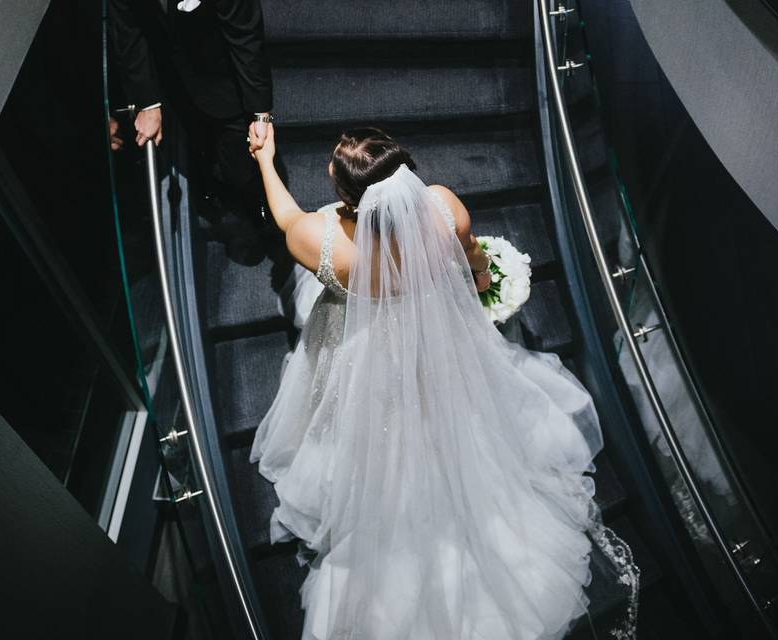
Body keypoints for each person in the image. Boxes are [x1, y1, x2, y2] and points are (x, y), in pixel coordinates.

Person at [245, 124, 640, 639]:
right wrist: (481, 281)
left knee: (368, 425)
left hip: (363, 348)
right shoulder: (443, 208)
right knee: (444, 416)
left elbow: (285, 214)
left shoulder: (322, 244)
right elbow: (474, 260)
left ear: (344, 192)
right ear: (403, 169)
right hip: (431, 340)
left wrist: (264, 160)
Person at [108, 0, 274, 259]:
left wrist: (261, 114)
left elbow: (246, 37)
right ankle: (209, 192)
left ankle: (256, 209)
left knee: (240, 171)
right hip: (173, 82)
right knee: (195, 151)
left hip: (224, 81)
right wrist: (148, 102)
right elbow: (128, 31)